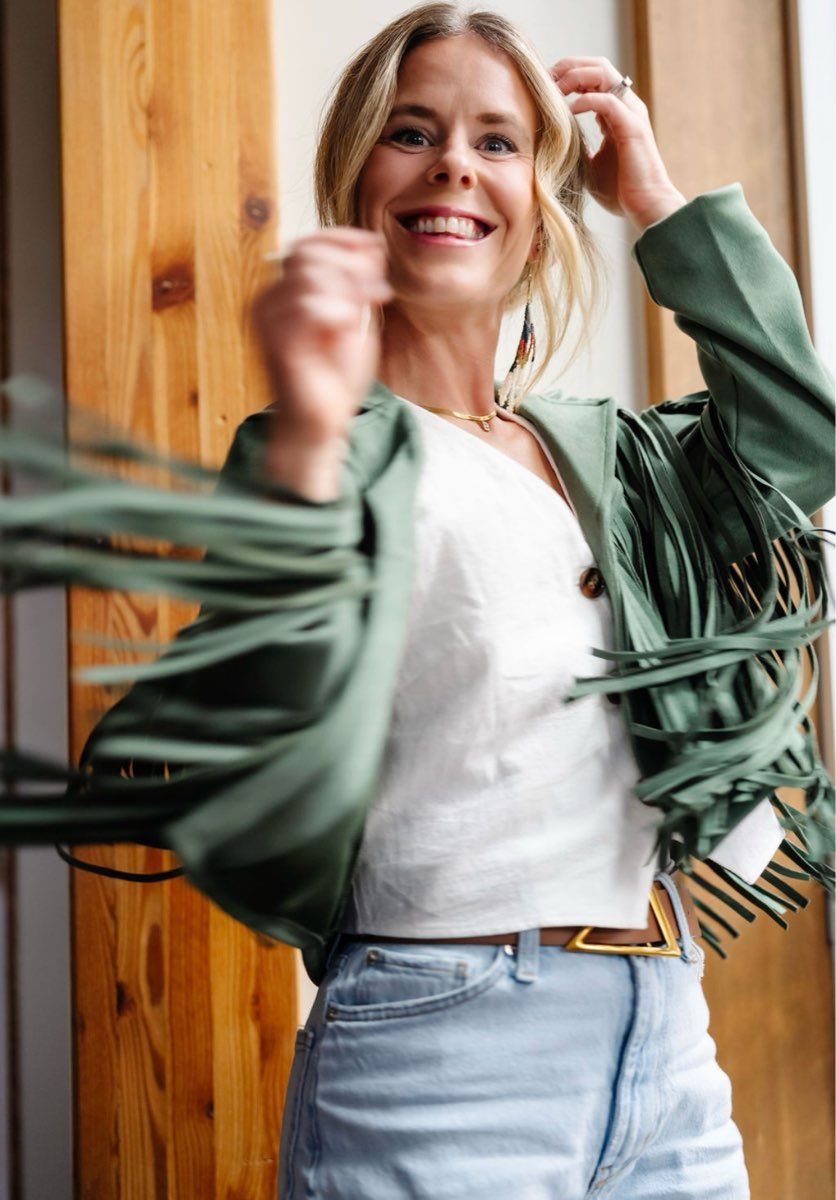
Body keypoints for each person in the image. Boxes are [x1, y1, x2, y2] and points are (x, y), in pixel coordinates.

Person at [0, 3, 832, 1196]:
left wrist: (655, 202)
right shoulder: (321, 449)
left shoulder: (617, 459)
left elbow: (799, 441)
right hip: (439, 1051)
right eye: (411, 131)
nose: (452, 162)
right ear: (357, 181)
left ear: (540, 209)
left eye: (497, 141)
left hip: (665, 1045)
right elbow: (242, 725)